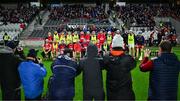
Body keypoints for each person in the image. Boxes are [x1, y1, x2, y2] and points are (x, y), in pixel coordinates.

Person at [103, 34, 136, 100]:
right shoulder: (128, 59)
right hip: (125, 95)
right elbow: (133, 65)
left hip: (112, 94)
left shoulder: (106, 58)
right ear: (122, 45)